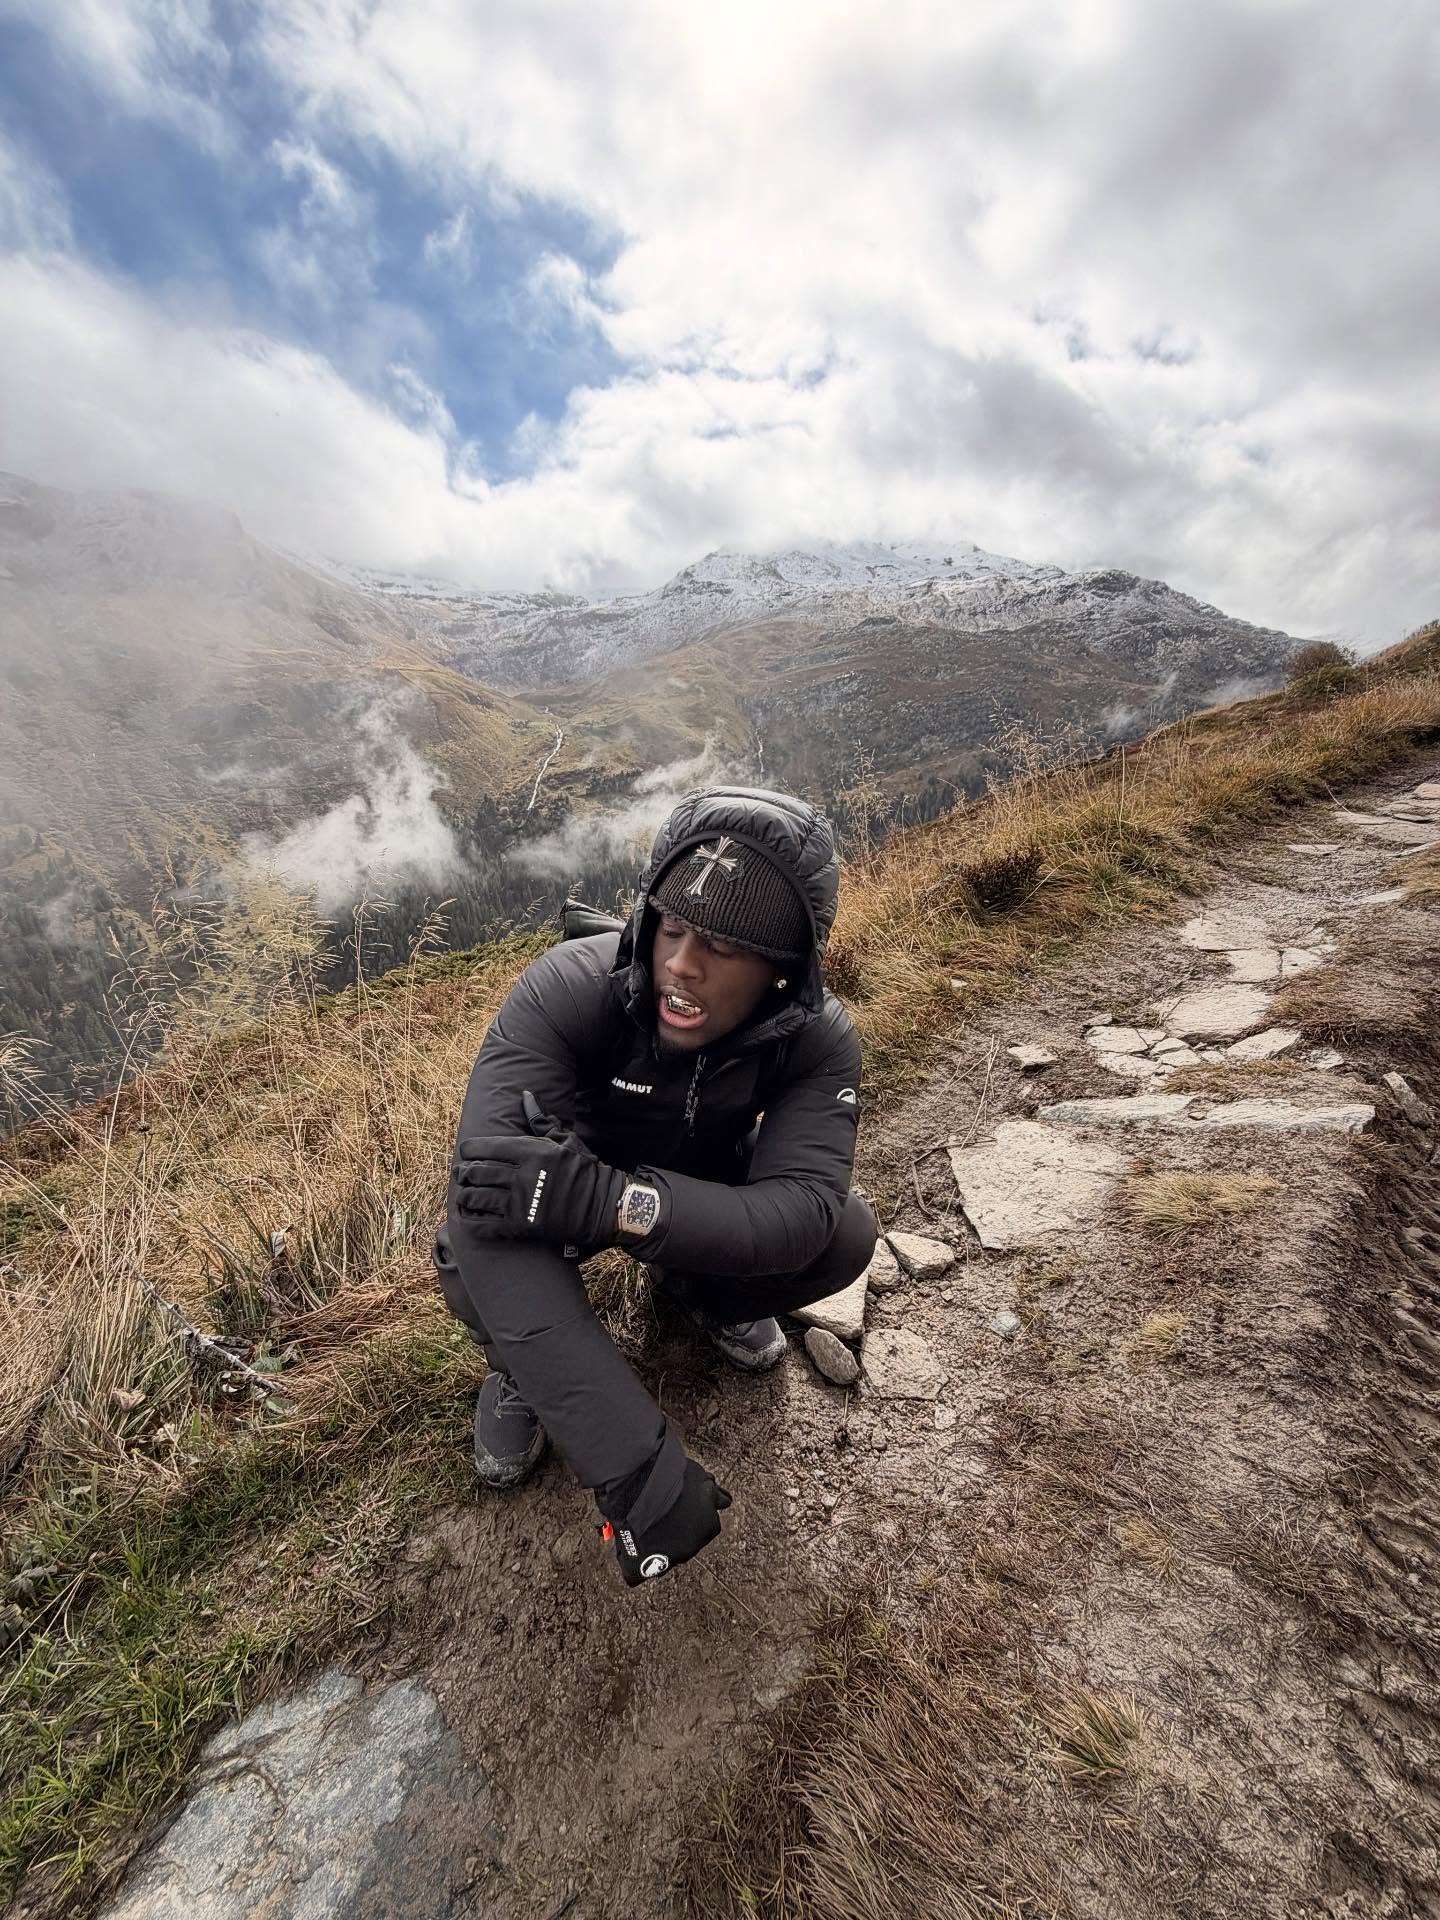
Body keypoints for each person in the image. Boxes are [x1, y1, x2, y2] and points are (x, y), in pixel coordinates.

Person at [433, 785, 876, 1587]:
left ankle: (700, 1294)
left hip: (664, 1197)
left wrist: (618, 1204)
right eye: (671, 926)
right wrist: (633, 1467)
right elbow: (483, 1198)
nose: (681, 964)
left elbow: (806, 1209)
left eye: (725, 946)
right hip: (557, 1195)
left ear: (785, 969)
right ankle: (522, 1371)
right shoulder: (569, 988)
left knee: (846, 1234)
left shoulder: (816, 1038)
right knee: (477, 1237)